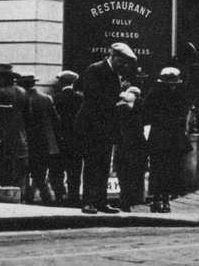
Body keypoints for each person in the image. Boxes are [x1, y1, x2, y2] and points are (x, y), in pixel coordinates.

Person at [76, 42, 138, 215]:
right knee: (91, 164)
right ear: (113, 55)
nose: (124, 65)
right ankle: (88, 202)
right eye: (123, 61)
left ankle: (100, 201)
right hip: (92, 125)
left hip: (106, 126)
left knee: (103, 164)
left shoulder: (114, 73)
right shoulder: (95, 69)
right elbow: (93, 97)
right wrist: (118, 104)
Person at [144, 68, 192, 213]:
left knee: (166, 168)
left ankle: (164, 198)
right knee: (161, 168)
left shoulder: (156, 93)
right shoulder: (168, 94)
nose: (171, 86)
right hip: (166, 134)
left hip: (164, 135)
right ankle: (158, 198)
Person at [0, 64, 29, 198]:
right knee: (18, 169)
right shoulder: (22, 91)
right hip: (20, 135)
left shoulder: (1, 92)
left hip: (2, 134)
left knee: (1, 166)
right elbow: (28, 114)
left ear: (5, 78)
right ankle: (21, 195)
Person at [22, 74, 61, 205]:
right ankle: (39, 198)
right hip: (47, 143)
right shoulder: (46, 98)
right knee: (40, 173)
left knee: (29, 174)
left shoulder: (23, 99)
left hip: (30, 142)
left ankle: (41, 199)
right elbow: (56, 120)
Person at [50, 70, 83, 206]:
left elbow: (53, 121)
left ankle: (60, 196)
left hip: (60, 140)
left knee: (57, 170)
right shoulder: (81, 98)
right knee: (74, 171)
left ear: (61, 82)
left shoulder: (56, 98)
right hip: (76, 141)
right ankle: (73, 197)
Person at [116, 86, 148, 212]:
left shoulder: (121, 110)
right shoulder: (141, 109)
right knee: (136, 172)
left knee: (123, 172)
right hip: (139, 146)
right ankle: (134, 198)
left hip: (124, 146)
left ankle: (125, 200)